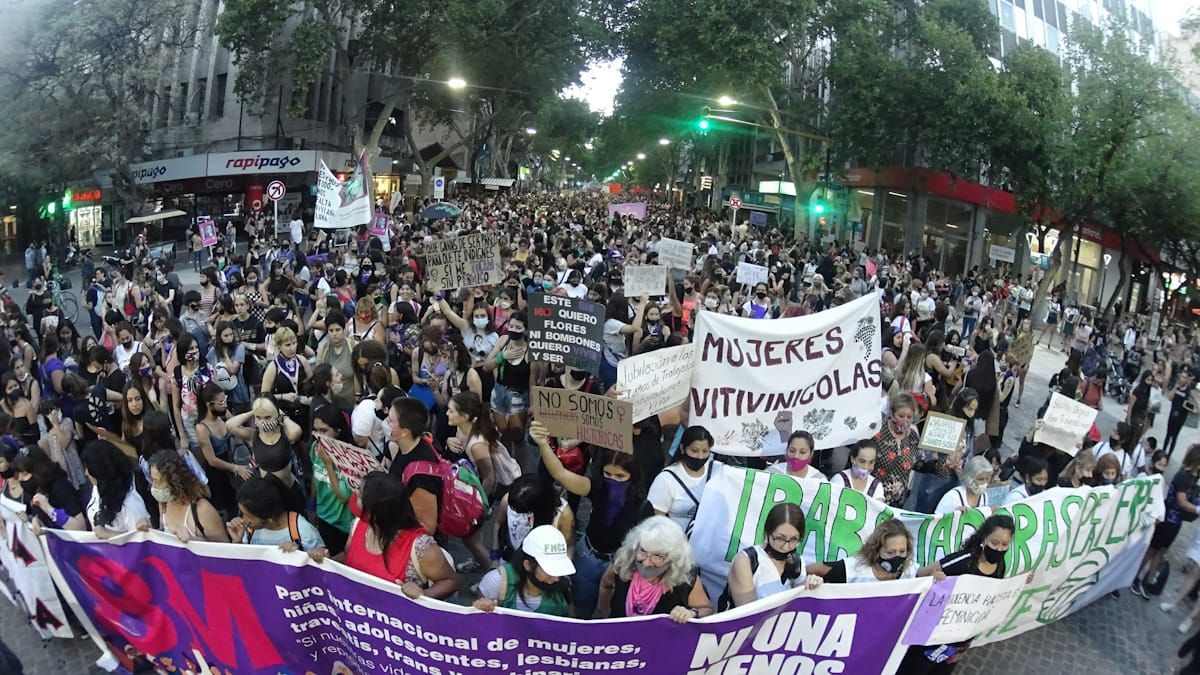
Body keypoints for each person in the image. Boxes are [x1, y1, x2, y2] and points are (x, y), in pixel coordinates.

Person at [531, 419, 646, 620]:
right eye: (608, 474)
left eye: (620, 476)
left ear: (632, 476)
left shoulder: (643, 506)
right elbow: (560, 473)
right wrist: (542, 443)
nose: (613, 480)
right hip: (588, 556)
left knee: (609, 614)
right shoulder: (597, 488)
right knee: (579, 606)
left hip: (619, 565)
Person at [900, 515, 1016, 674]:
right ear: (984, 538)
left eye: (1005, 544)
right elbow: (921, 575)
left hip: (960, 640)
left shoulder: (1000, 565)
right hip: (933, 635)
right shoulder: (963, 561)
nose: (999, 549)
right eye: (994, 543)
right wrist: (934, 578)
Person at [340, 471, 459, 600]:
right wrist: (325, 559)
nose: (355, 493)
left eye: (361, 494)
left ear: (376, 509)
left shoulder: (420, 547)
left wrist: (424, 594)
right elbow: (348, 555)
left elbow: (452, 581)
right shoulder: (357, 525)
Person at [596, 516, 712, 622]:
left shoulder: (685, 576)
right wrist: (605, 616)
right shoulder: (624, 560)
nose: (646, 563)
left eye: (657, 556)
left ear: (674, 558)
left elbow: (706, 609)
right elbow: (606, 584)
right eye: (642, 551)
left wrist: (691, 613)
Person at [1132, 444, 1200, 599]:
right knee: (1152, 550)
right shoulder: (1184, 476)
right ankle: (1136, 577)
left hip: (1175, 522)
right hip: (1168, 518)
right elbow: (1182, 501)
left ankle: (1147, 580)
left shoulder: (1193, 477)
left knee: (1161, 551)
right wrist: (1197, 509)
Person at [723, 502, 823, 608]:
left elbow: (801, 604)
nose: (786, 547)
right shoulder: (746, 561)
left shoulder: (797, 562)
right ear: (767, 534)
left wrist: (812, 586)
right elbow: (746, 614)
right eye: (780, 538)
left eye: (794, 539)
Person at [473, 525, 575, 616]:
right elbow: (476, 624)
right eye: (549, 570)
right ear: (528, 565)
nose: (556, 578)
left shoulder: (563, 586)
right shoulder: (497, 582)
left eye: (559, 570)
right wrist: (481, 608)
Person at [226, 475, 326, 554]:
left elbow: (322, 563)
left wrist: (298, 555)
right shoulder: (248, 530)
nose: (244, 520)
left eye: (248, 516)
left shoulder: (303, 531)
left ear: (269, 518)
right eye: (242, 514)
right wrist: (237, 541)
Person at [648, 426, 722, 532]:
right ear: (683, 448)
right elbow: (656, 522)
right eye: (694, 451)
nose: (700, 457)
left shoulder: (718, 471)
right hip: (680, 544)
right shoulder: (665, 479)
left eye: (705, 451)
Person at [490, 473, 576, 564]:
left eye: (521, 511)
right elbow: (498, 524)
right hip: (512, 556)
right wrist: (495, 556)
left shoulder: (564, 515)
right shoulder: (513, 499)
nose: (514, 511)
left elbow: (568, 547)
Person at [149, 449, 228, 543]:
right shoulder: (163, 503)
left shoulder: (202, 510)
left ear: (174, 482)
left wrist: (191, 542)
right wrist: (148, 531)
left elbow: (224, 549)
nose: (153, 486)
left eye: (157, 481)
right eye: (152, 480)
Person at [813, 517, 919, 583]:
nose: (897, 557)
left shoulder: (909, 571)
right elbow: (814, 569)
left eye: (902, 551)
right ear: (876, 550)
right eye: (890, 552)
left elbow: (928, 573)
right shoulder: (852, 570)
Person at [80, 440, 151, 539]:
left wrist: (109, 535)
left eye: (89, 468)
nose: (86, 473)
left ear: (101, 471)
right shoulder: (99, 487)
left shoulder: (131, 505)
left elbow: (143, 543)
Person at [873, 392, 922, 507]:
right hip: (875, 497)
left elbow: (919, 464)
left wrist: (941, 461)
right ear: (892, 413)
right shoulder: (878, 431)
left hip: (898, 502)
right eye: (901, 416)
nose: (905, 421)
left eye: (909, 417)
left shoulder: (913, 437)